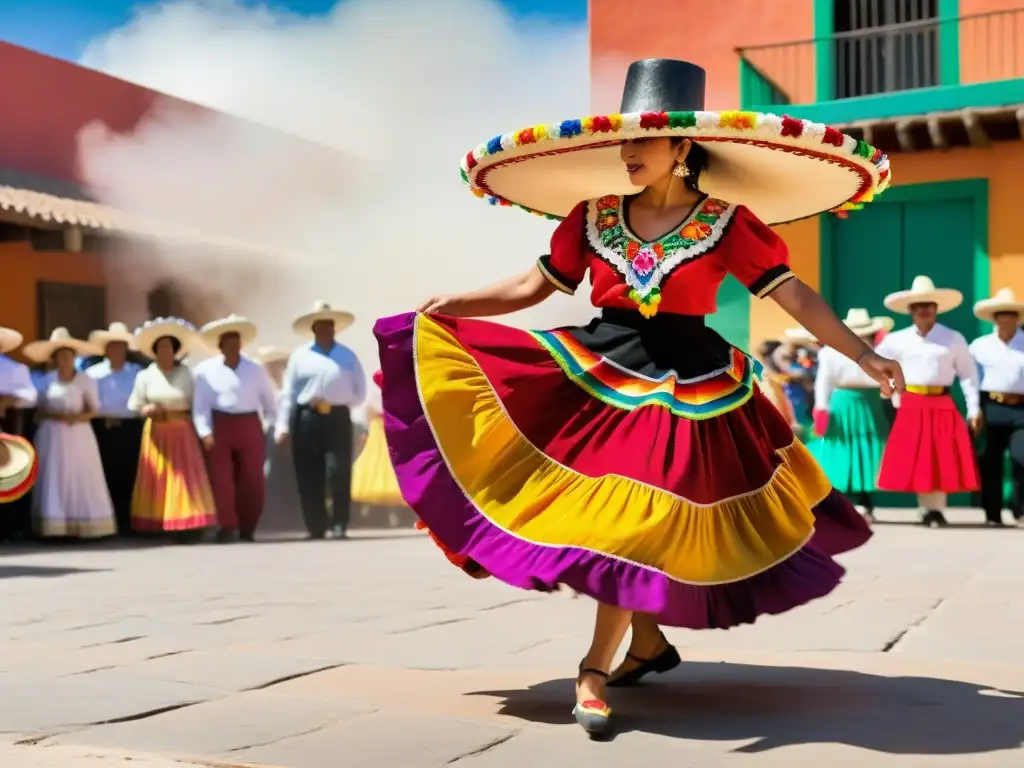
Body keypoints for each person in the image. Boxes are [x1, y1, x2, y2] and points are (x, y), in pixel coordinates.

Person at [374, 59, 901, 735]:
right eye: (623, 141)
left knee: (639, 519)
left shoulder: (728, 221)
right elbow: (534, 288)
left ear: (682, 148)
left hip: (689, 383)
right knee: (625, 521)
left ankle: (593, 669)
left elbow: (792, 294)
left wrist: (861, 351)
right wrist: (455, 302)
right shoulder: (590, 217)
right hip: (602, 366)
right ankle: (645, 643)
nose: (627, 152)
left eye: (644, 140)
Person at [876, 276, 981, 528]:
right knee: (919, 455)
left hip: (942, 401)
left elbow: (968, 375)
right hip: (910, 401)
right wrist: (893, 393)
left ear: (936, 308)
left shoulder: (953, 338)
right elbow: (881, 370)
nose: (924, 310)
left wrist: (974, 408)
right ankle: (925, 509)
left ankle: (937, 509)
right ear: (911, 310)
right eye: (918, 306)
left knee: (941, 454)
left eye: (928, 305)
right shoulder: (896, 340)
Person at [275, 302, 366, 540]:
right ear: (313, 329)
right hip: (307, 417)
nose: (326, 330)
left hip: (337, 417)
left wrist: (349, 409)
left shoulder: (347, 356)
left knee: (339, 470)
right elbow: (288, 394)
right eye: (321, 326)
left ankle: (339, 523)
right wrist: (282, 427)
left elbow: (361, 391)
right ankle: (315, 525)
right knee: (308, 471)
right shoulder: (299, 357)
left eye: (330, 325)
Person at [22, 328, 115, 539]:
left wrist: (75, 417)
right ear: (55, 358)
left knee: (79, 474)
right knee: (54, 474)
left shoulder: (85, 380)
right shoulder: (46, 380)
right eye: (61, 355)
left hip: (78, 435)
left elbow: (94, 409)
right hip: (52, 435)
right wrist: (53, 415)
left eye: (69, 354)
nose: (65, 358)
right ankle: (53, 525)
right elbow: (37, 408)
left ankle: (85, 524)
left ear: (74, 357)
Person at [128, 318, 217, 538]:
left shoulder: (186, 375)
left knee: (184, 477)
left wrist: (204, 429)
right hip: (157, 432)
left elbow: (197, 402)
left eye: (168, 347)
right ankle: (157, 522)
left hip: (181, 430)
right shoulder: (145, 375)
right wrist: (146, 409)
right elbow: (134, 403)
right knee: (158, 476)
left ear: (175, 351)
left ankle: (188, 523)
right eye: (160, 347)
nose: (164, 351)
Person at [193, 316, 278, 543]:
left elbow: (269, 402)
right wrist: (205, 431)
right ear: (220, 346)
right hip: (220, 424)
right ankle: (227, 525)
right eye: (228, 343)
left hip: (249, 424)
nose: (233, 347)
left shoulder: (255, 370)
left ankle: (248, 525)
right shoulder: (205, 371)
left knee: (252, 477)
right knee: (222, 478)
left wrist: (273, 426)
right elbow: (200, 405)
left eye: (236, 342)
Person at [810, 308, 895, 521]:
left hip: (871, 402)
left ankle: (866, 502)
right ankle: (845, 503)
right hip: (842, 402)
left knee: (869, 449)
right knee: (842, 450)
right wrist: (821, 407)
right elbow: (824, 381)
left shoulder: (880, 351)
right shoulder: (830, 352)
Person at [969, 288, 1024, 526]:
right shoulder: (979, 346)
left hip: (1021, 409)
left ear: (1017, 317)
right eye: (1000, 313)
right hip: (991, 406)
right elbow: (971, 380)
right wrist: (975, 410)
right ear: (994, 318)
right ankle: (992, 514)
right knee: (989, 462)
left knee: (1022, 459)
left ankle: (1019, 508)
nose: (1005, 318)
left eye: (1010, 313)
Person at [86, 322, 145, 537]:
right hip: (104, 427)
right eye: (113, 346)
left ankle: (129, 521)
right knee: (106, 473)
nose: (117, 351)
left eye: (121, 346)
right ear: (106, 349)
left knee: (131, 473)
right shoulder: (93, 373)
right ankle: (109, 521)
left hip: (130, 427)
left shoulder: (136, 372)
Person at [0, 326, 39, 539]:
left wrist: (9, 399)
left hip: (7, 428)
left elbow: (31, 396)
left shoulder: (15, 368)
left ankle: (12, 527)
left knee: (9, 475)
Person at [352, 370, 407, 517]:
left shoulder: (399, 390)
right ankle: (367, 513)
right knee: (376, 463)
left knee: (390, 465)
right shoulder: (375, 393)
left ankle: (387, 514)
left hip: (392, 431)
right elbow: (368, 411)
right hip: (379, 432)